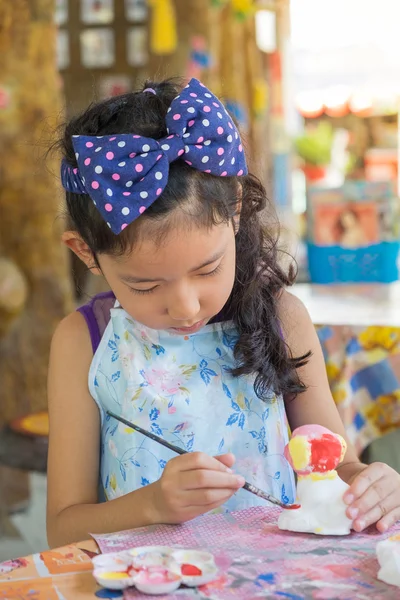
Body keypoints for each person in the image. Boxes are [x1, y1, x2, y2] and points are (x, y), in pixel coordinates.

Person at [47, 78, 400, 548]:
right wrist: (153, 505)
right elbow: (61, 529)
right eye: (146, 285)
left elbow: (336, 466)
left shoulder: (282, 318)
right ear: (86, 252)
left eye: (208, 268)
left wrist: (373, 488)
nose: (186, 306)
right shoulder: (84, 342)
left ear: (234, 210)